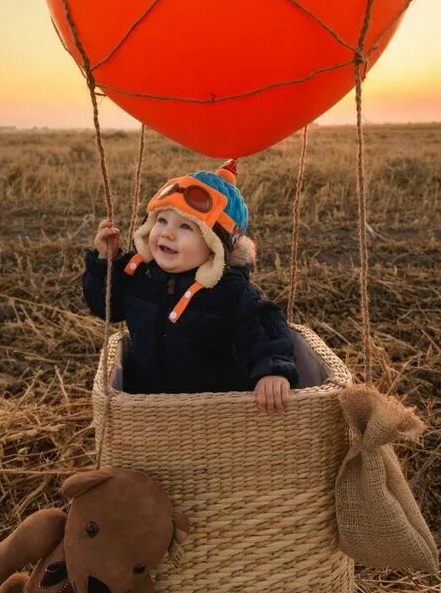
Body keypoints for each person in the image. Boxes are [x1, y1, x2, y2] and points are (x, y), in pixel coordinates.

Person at [82, 160, 298, 410]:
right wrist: (104, 262)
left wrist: (271, 370)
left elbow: (264, 328)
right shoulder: (138, 275)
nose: (167, 233)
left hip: (212, 412)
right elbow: (105, 305)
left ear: (214, 246)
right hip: (144, 406)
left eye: (185, 226)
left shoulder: (229, 290)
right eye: (161, 220)